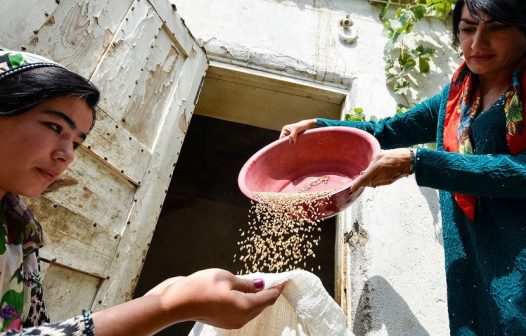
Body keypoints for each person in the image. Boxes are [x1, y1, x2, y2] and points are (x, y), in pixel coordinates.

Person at [281, 0, 526, 334]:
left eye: (496, 29)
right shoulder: (456, 97)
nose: (477, 42)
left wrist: (418, 163)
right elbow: (388, 131)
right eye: (469, 28)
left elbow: (521, 172)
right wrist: (321, 126)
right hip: (471, 268)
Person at [0, 48, 284, 335]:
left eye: (75, 143)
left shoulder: (18, 230)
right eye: (54, 126)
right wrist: (170, 306)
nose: (67, 155)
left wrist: (156, 302)